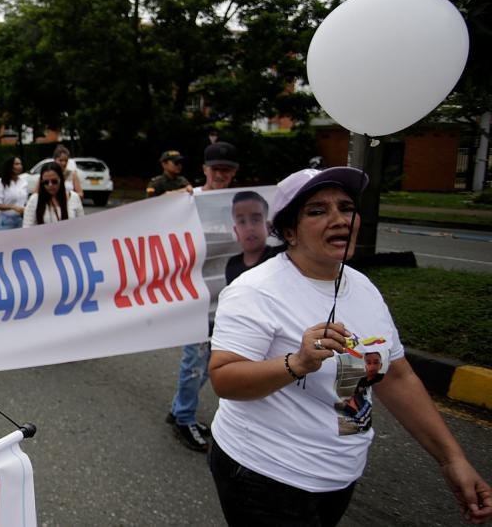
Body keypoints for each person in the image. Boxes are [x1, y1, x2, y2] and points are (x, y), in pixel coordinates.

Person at [208, 167, 492, 525]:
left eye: (346, 207)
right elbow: (224, 378)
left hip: (340, 475)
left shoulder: (363, 288)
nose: (340, 219)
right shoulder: (254, 291)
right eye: (317, 210)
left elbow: (397, 377)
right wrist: (297, 362)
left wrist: (453, 460)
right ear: (289, 232)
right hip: (264, 474)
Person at [167, 141, 242, 451]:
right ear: (205, 170)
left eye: (227, 169)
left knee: (214, 360)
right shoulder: (189, 200)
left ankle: (179, 409)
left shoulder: (242, 202)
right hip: (197, 299)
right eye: (216, 169)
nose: (221, 174)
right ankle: (183, 416)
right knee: (195, 362)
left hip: (230, 298)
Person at [224, 191, 281, 285]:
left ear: (268, 227)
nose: (249, 228)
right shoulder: (232, 265)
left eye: (255, 220)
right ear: (236, 231)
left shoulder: (280, 258)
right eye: (242, 222)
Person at [24, 161, 83, 227]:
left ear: (61, 179)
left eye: (54, 181)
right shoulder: (34, 200)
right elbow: (27, 228)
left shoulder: (74, 197)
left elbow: (81, 227)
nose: (50, 185)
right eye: (46, 182)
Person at [0, 156, 29, 230]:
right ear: (9, 166)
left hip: (21, 220)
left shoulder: (24, 182)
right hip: (5, 221)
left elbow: (25, 201)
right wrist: (13, 207)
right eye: (16, 164)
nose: (20, 166)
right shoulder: (0, 183)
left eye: (20, 164)